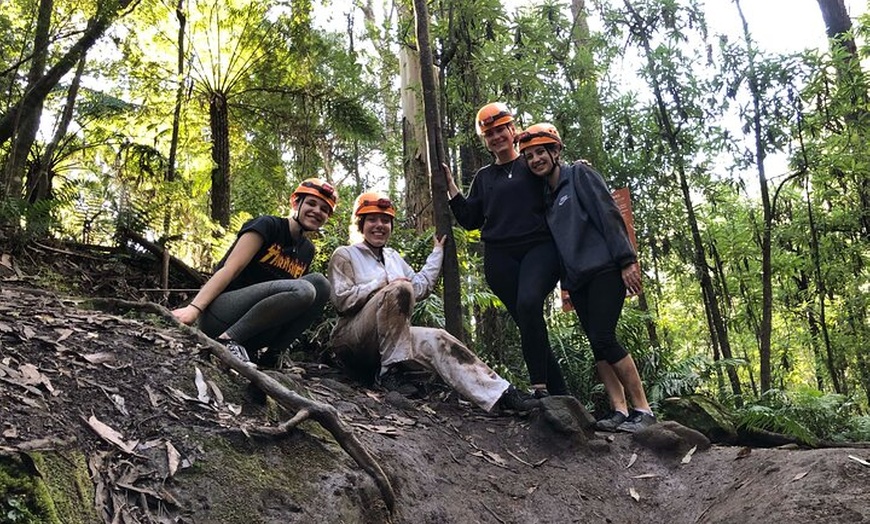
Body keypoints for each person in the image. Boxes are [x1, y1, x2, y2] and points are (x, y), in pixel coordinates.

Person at [327, 191, 537, 414]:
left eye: (385, 220)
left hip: (386, 344)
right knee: (399, 287)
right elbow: (342, 300)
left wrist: (437, 252)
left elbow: (419, 286)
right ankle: (390, 373)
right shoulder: (345, 254)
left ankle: (501, 394)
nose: (379, 225)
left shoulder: (392, 257)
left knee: (438, 338)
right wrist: (383, 282)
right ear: (361, 224)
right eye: (372, 219)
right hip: (351, 341)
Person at [516, 122, 656, 433]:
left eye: (540, 152)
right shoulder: (546, 196)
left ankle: (643, 409)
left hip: (605, 270)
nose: (535, 159)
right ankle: (619, 410)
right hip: (577, 280)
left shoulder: (579, 175)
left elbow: (608, 213)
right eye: (529, 156)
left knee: (605, 337)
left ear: (555, 152)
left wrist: (627, 260)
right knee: (597, 344)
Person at [443, 102, 567, 398]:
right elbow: (471, 219)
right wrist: (450, 186)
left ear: (513, 130)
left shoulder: (531, 162)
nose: (497, 137)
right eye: (490, 134)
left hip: (539, 247)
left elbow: (559, 180)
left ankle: (539, 388)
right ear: (485, 141)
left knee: (528, 304)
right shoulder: (484, 177)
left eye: (501, 130)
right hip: (500, 257)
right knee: (528, 320)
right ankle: (559, 395)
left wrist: (579, 168)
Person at [172, 178, 337, 369]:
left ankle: (273, 355)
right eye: (311, 203)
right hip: (221, 314)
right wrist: (194, 308)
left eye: (324, 209)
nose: (317, 211)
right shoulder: (267, 225)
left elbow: (291, 303)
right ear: (295, 202)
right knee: (304, 289)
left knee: (321, 285)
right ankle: (227, 341)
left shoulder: (307, 250)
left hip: (256, 330)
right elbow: (230, 269)